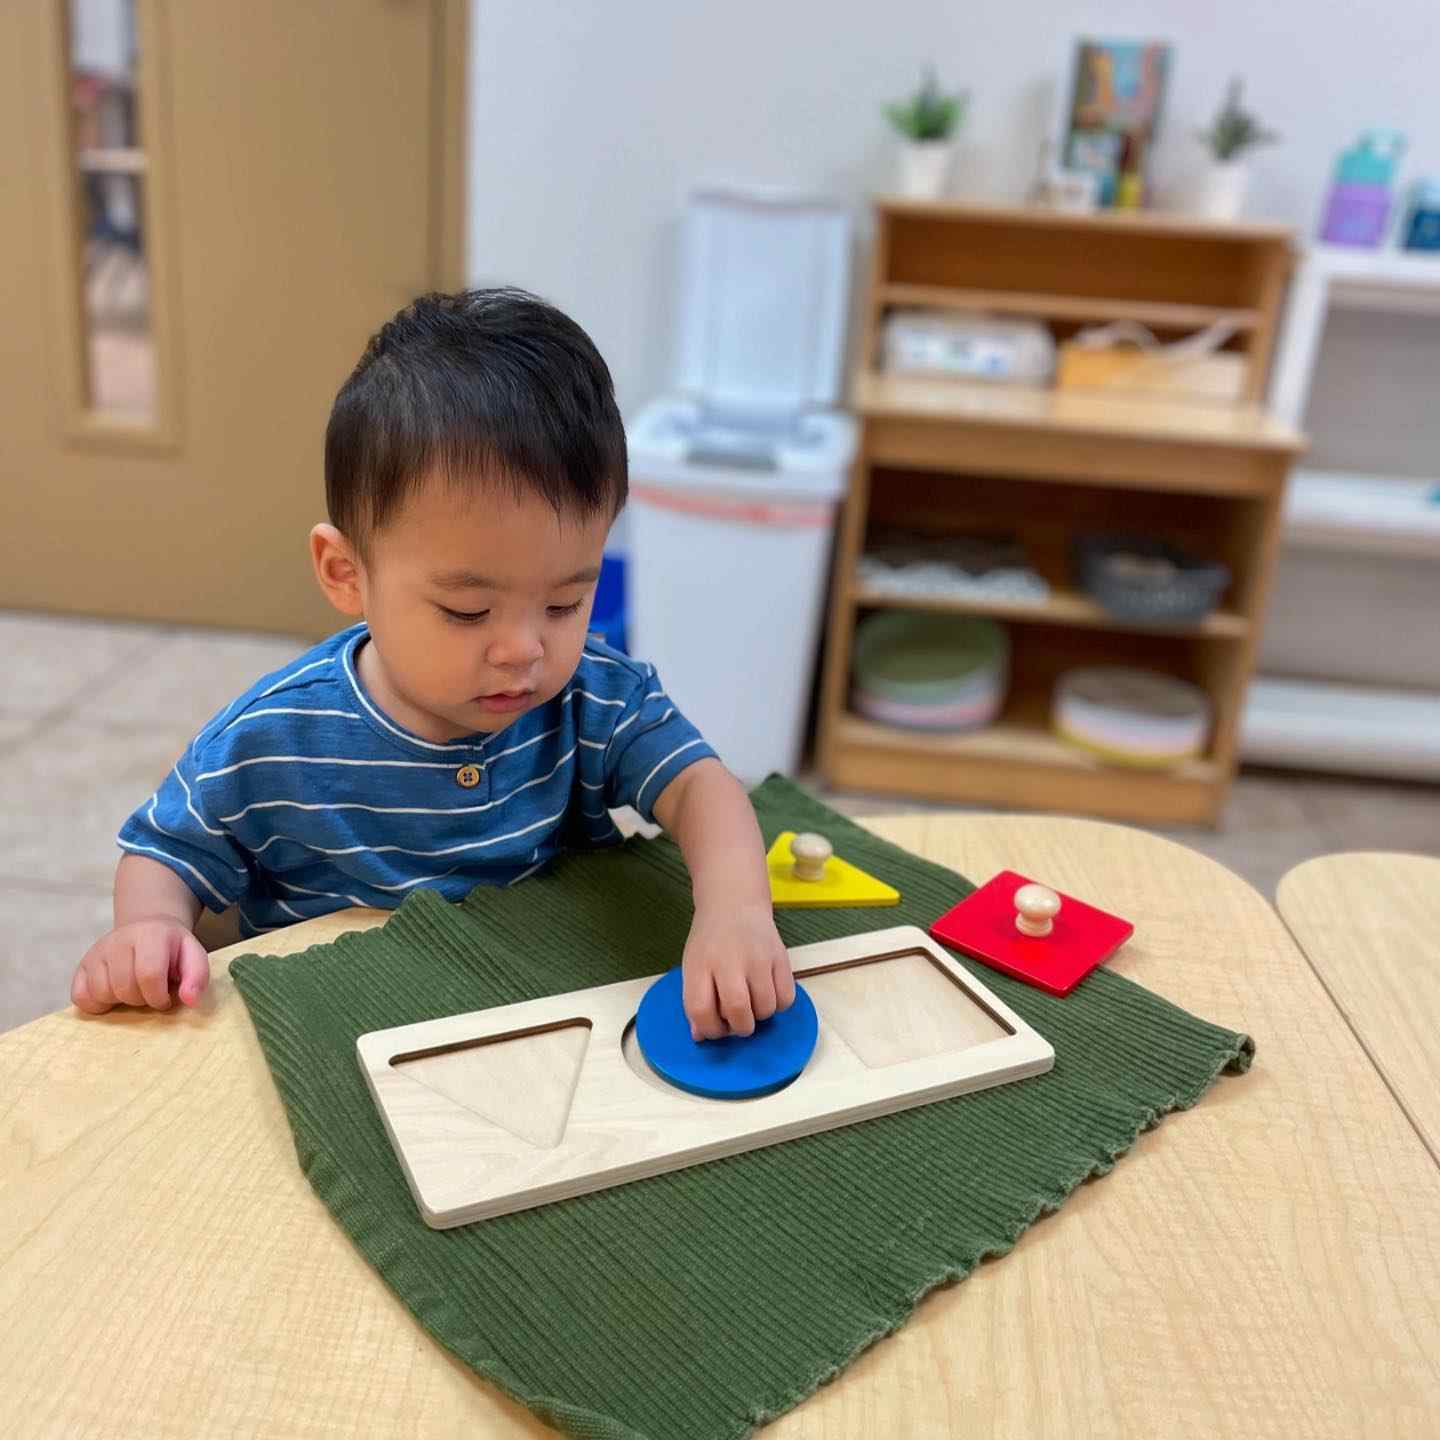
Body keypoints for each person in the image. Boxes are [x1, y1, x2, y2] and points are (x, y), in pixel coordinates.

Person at [70, 288, 794, 1041]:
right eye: (468, 612)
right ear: (346, 573)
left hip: (538, 1021)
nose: (525, 649)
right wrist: (148, 929)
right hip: (346, 1039)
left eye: (565, 603)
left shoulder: (594, 698)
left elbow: (702, 788)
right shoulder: (276, 735)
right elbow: (164, 852)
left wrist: (735, 911)